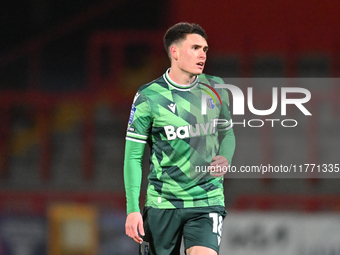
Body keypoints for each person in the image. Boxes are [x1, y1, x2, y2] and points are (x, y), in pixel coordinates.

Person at [124, 22, 236, 255]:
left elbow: (227, 133)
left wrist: (225, 156)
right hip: (163, 202)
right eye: (195, 48)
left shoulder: (216, 88)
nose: (202, 54)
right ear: (174, 52)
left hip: (207, 199)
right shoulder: (148, 97)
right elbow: (133, 157)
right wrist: (133, 208)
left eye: (205, 49)